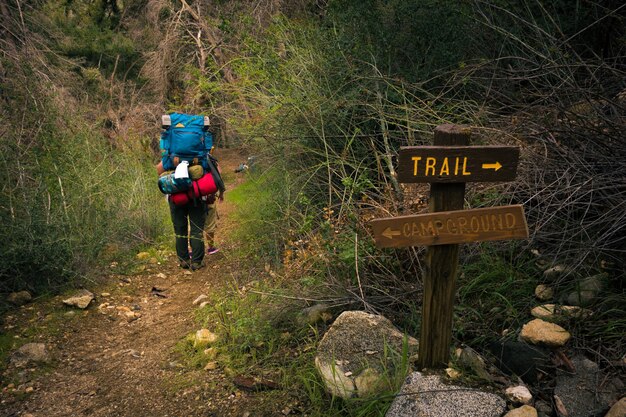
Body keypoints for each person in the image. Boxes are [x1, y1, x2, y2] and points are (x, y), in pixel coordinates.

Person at [156, 161, 206, 270]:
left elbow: (158, 170)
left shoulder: (170, 156)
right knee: (196, 229)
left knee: (179, 230)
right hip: (195, 196)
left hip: (175, 197)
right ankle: (197, 262)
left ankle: (184, 261)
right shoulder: (197, 154)